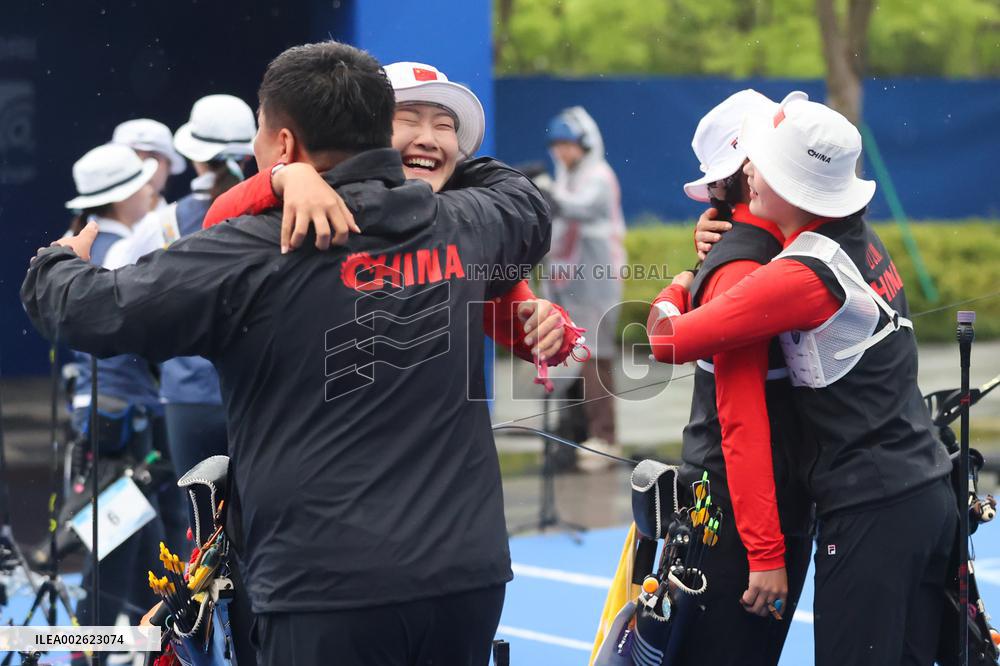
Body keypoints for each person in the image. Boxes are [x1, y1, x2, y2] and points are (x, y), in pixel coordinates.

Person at [23, 41, 551, 666]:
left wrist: (54, 259)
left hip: (324, 589)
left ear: (280, 142)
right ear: (383, 134)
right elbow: (524, 199)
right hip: (466, 579)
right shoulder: (468, 222)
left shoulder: (247, 251)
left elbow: (82, 307)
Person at [647, 96, 955, 666]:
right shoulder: (852, 236)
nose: (750, 170)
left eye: (760, 162)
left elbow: (667, 341)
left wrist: (682, 282)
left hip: (873, 509)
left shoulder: (798, 272)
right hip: (924, 490)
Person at [200, 60, 583, 372]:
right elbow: (216, 227)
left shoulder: (463, 232)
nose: (429, 138)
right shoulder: (311, 199)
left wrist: (550, 328)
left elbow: (538, 339)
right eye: (408, 119)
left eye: (444, 125)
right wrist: (285, 178)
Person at [664, 89, 814, 666]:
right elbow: (742, 420)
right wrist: (766, 552)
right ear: (748, 175)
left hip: (748, 509)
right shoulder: (746, 264)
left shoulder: (773, 248)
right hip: (739, 522)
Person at [58, 143, 171, 663]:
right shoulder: (122, 249)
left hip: (119, 418)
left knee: (140, 546)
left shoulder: (93, 244)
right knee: (114, 550)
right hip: (117, 424)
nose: (153, 190)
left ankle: (132, 649)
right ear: (124, 196)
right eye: (143, 184)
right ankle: (89, 653)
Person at [542, 106, 626, 471]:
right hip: (572, 281)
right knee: (573, 355)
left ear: (584, 143)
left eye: (567, 144)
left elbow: (577, 209)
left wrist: (541, 190)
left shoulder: (598, 177)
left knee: (596, 357)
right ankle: (576, 431)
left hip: (598, 281)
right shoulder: (567, 176)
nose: (561, 152)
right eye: (557, 145)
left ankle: (604, 438)